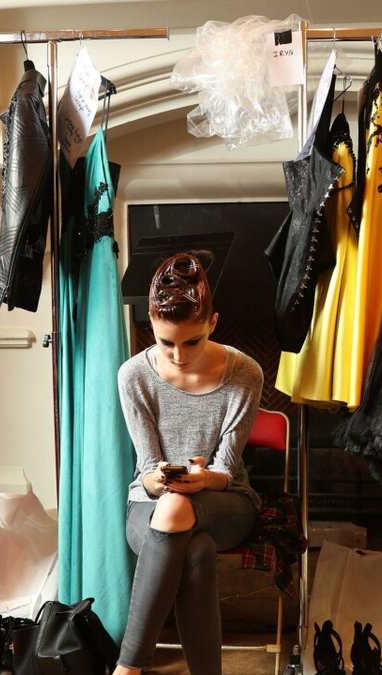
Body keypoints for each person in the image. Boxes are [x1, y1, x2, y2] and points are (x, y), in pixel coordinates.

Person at [113, 252, 264, 675]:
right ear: (151, 324)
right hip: (149, 505)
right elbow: (147, 473)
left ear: (212, 323)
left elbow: (227, 472)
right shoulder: (133, 376)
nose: (178, 355)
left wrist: (202, 479)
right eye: (166, 343)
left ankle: (127, 669)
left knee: (179, 506)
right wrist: (161, 480)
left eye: (192, 342)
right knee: (194, 547)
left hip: (225, 502)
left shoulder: (245, 373)